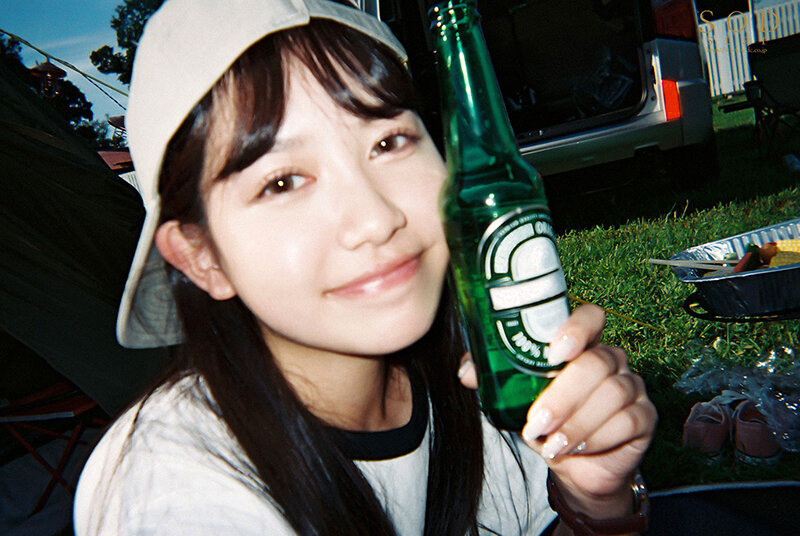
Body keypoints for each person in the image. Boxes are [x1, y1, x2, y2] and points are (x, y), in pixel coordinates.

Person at [73, 1, 657, 534]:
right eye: (282, 182)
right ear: (202, 258)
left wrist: (594, 500)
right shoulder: (172, 494)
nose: (376, 219)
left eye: (388, 142)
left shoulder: (481, 377)